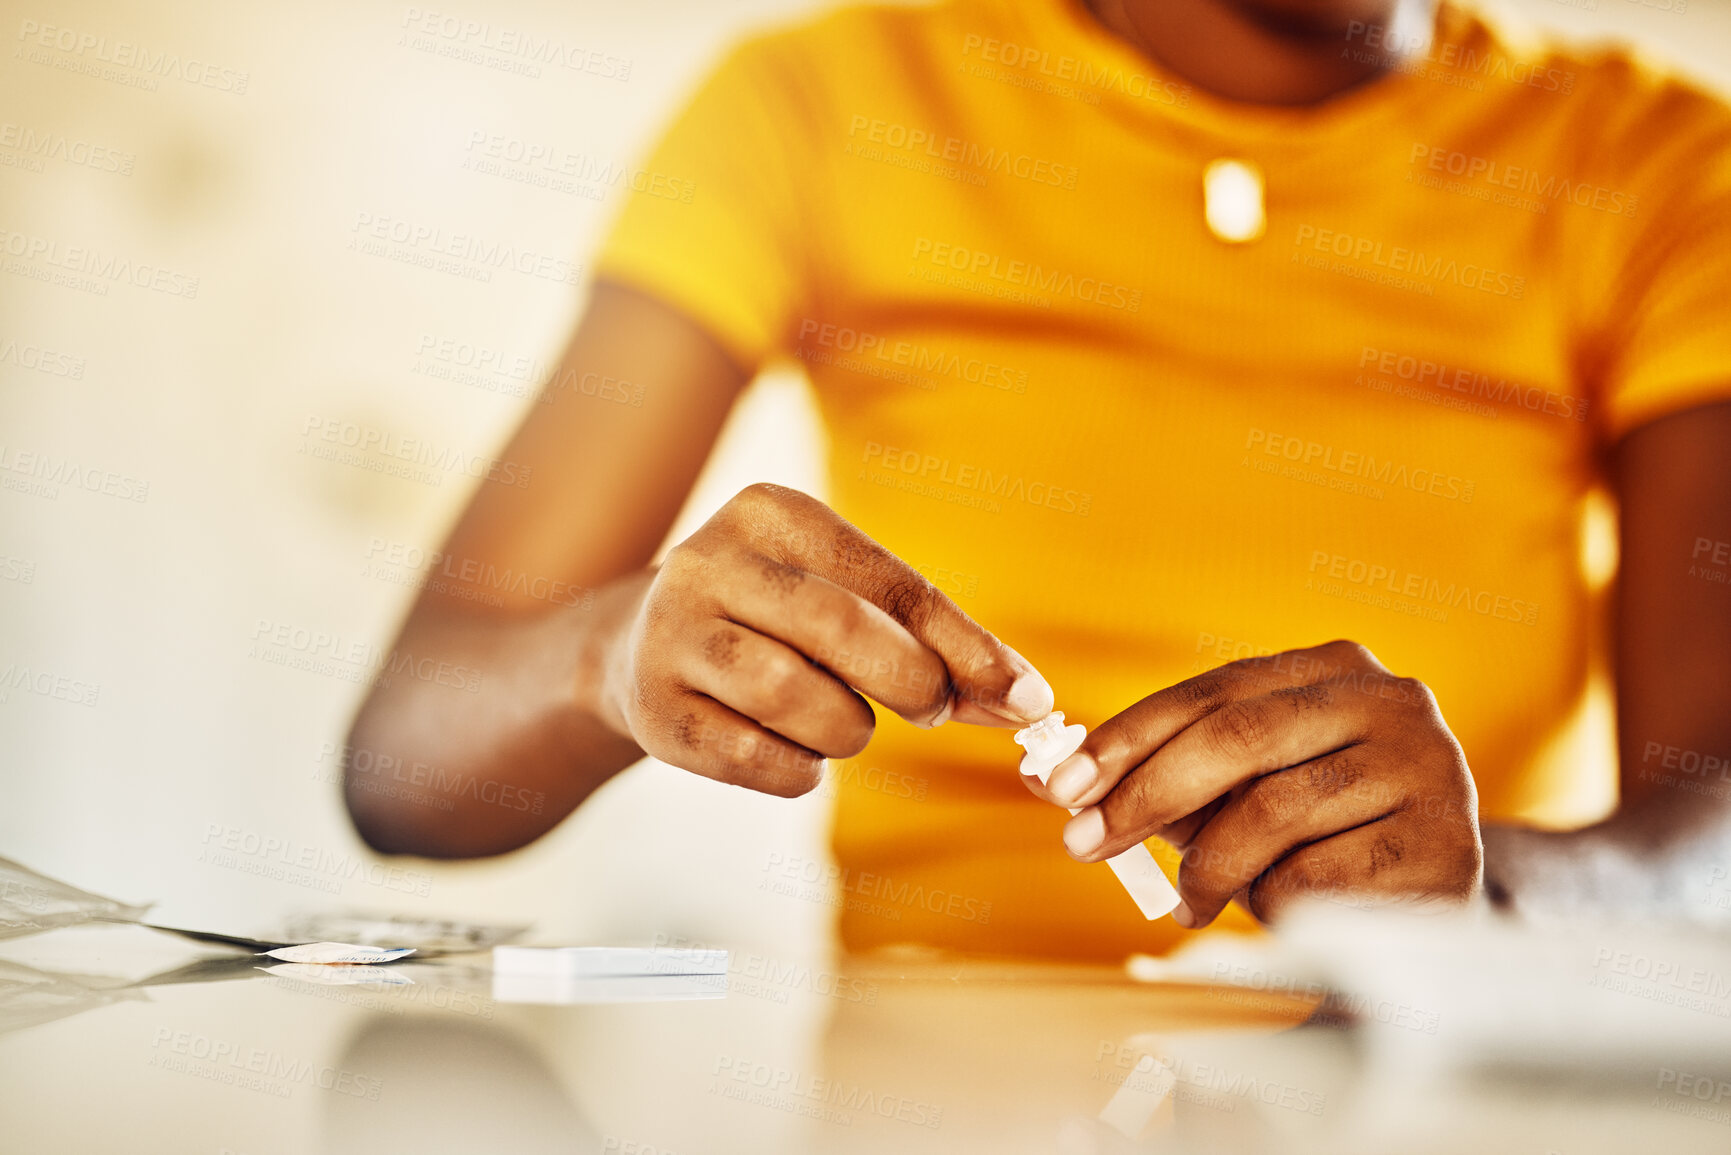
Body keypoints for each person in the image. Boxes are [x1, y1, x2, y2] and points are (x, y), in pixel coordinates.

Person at [342, 0, 1731, 960]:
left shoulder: (1660, 176)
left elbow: (1710, 831)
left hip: (1435, 1097)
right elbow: (402, 766)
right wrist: (610, 652)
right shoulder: (825, 108)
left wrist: (1501, 902)